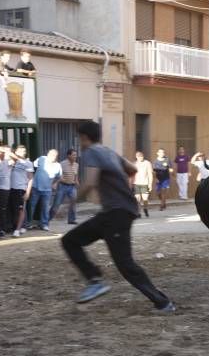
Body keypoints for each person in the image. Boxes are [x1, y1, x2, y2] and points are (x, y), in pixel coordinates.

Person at [60, 121, 175, 311]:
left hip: (116, 214)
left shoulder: (91, 152)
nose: (79, 142)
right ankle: (94, 279)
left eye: (79, 138)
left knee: (125, 264)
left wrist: (71, 203)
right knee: (70, 240)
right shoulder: (109, 152)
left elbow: (89, 182)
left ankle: (162, 302)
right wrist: (117, 187)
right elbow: (132, 169)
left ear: (84, 137)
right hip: (114, 213)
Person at [27, 149, 61, 231]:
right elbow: (32, 166)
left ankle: (44, 224)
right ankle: (28, 223)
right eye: (51, 155)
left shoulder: (58, 165)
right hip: (36, 187)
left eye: (55, 155)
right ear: (48, 154)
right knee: (31, 206)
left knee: (45, 208)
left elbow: (59, 177)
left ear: (57, 157)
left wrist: (55, 183)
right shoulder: (41, 158)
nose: (53, 157)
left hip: (47, 190)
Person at [49, 149, 80, 224]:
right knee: (56, 204)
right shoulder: (62, 164)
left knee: (73, 203)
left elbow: (75, 176)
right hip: (62, 186)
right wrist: (56, 183)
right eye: (73, 155)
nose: (75, 156)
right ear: (68, 156)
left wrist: (77, 182)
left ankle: (71, 220)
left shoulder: (76, 165)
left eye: (75, 155)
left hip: (72, 187)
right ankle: (47, 219)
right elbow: (59, 176)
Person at [10, 145, 34, 238]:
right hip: (10, 188)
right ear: (16, 152)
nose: (23, 152)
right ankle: (17, 227)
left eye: (24, 151)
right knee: (13, 210)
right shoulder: (12, 161)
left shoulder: (28, 163)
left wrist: (28, 192)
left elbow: (31, 178)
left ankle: (17, 229)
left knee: (21, 210)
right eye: (21, 151)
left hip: (21, 188)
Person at [0, 145, 15, 238]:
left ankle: (2, 229)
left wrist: (8, 152)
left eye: (2, 152)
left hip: (5, 188)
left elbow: (15, 159)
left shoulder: (8, 161)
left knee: (3, 209)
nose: (0, 153)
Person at [133, 151, 154, 218]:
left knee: (145, 199)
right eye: (138, 157)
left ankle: (145, 209)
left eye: (141, 156)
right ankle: (138, 213)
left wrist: (150, 184)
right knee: (137, 199)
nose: (140, 158)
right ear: (136, 157)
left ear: (143, 156)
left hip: (145, 183)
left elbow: (150, 174)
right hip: (137, 183)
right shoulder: (134, 164)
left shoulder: (147, 163)